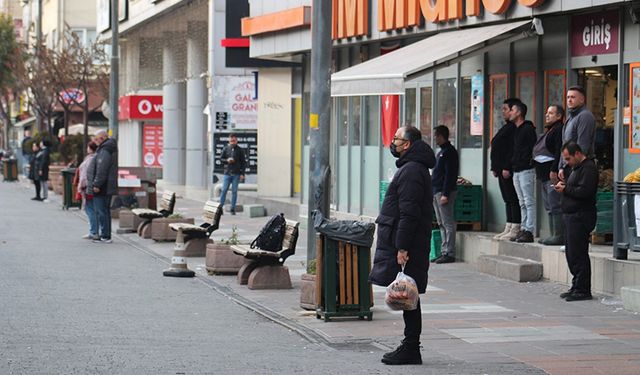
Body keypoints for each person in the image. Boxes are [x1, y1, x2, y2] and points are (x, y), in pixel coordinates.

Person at [370, 126, 436, 365]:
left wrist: (402, 247)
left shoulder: (411, 171)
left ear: (407, 144)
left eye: (396, 139)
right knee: (408, 294)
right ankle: (410, 346)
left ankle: (411, 348)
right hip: (408, 241)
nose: (393, 143)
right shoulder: (413, 169)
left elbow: (409, 213)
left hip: (409, 244)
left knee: (409, 295)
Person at [553, 142, 598, 301]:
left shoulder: (588, 168)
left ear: (578, 153)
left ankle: (583, 289)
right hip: (571, 216)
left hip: (581, 216)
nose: (567, 162)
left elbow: (585, 191)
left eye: (568, 158)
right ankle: (576, 285)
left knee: (578, 253)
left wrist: (566, 189)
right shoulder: (575, 169)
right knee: (572, 253)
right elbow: (575, 188)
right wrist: (564, 186)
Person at [491, 98, 522, 241]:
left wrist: (506, 166)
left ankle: (516, 226)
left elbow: (511, 149)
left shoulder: (513, 129)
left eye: (506, 109)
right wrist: (495, 167)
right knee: (507, 198)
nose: (503, 112)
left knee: (512, 197)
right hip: (500, 169)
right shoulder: (506, 127)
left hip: (507, 169)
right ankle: (508, 225)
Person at [534, 105, 565, 245]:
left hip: (551, 174)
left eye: (551, 113)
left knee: (555, 204)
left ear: (559, 116)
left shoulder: (558, 130)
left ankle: (558, 235)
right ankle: (553, 233)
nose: (547, 115)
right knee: (549, 205)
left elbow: (559, 151)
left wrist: (554, 169)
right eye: (547, 113)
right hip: (543, 174)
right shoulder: (549, 130)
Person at [509, 101, 537, 243]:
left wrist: (525, 160)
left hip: (526, 169)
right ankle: (524, 228)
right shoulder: (516, 129)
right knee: (522, 202)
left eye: (512, 110)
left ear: (519, 112)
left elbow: (530, 149)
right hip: (517, 169)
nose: (510, 112)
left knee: (528, 201)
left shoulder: (527, 129)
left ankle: (529, 230)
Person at [431, 125, 459, 264]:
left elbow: (450, 175)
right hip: (436, 190)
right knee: (441, 223)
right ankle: (444, 251)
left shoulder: (449, 152)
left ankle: (450, 252)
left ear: (441, 136)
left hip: (443, 191)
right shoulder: (441, 152)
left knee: (448, 223)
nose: (434, 138)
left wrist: (446, 193)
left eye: (436, 135)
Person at [557, 86, 596, 182]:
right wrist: (561, 166)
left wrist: (573, 167)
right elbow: (564, 144)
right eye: (568, 97)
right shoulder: (571, 117)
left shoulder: (585, 116)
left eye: (573, 97)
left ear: (582, 100)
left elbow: (583, 145)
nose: (569, 100)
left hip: (579, 166)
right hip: (569, 165)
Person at [87, 130, 118, 244]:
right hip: (107, 184)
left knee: (101, 211)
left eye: (96, 139)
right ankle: (105, 235)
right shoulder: (108, 147)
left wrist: (96, 184)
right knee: (104, 210)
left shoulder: (105, 149)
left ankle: (105, 235)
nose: (95, 141)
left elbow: (102, 169)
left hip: (103, 186)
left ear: (103, 138)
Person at [218, 134, 246, 215]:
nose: (232, 142)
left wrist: (242, 173)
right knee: (224, 190)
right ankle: (220, 208)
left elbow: (243, 163)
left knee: (234, 191)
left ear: (236, 141)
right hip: (227, 173)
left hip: (236, 174)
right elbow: (221, 159)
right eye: (231, 141)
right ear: (229, 141)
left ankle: (232, 209)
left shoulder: (240, 150)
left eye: (234, 141)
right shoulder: (226, 148)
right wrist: (227, 160)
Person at [78, 141, 98, 240]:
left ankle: (93, 231)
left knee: (90, 209)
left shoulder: (90, 159)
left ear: (90, 149)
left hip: (88, 186)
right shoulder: (96, 158)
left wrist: (81, 185)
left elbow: (85, 174)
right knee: (92, 209)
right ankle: (94, 231)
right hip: (91, 185)